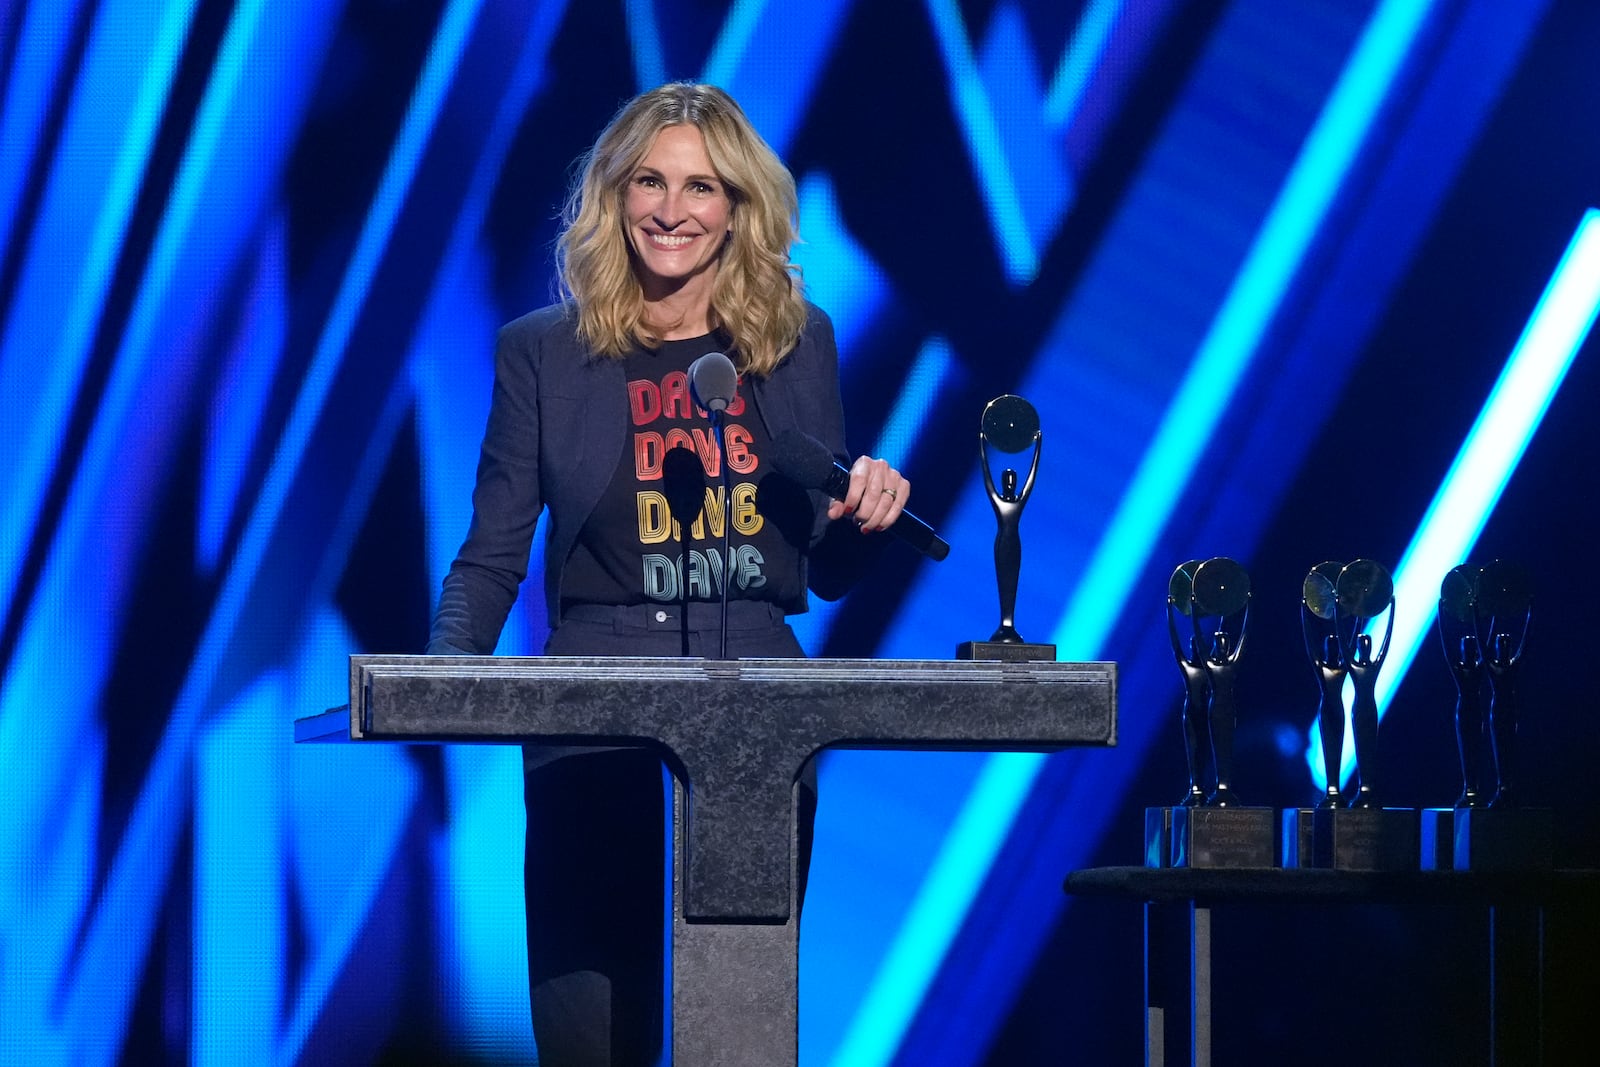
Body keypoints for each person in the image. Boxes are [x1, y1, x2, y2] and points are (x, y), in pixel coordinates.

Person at [427, 82, 910, 1066]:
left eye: (700, 187)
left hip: (758, 711)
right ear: (614, 193)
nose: (671, 209)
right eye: (649, 180)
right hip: (589, 700)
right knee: (588, 1031)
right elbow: (493, 550)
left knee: (734, 1031)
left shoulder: (791, 343)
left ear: (738, 208)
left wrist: (867, 517)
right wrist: (436, 675)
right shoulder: (542, 355)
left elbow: (824, 567)